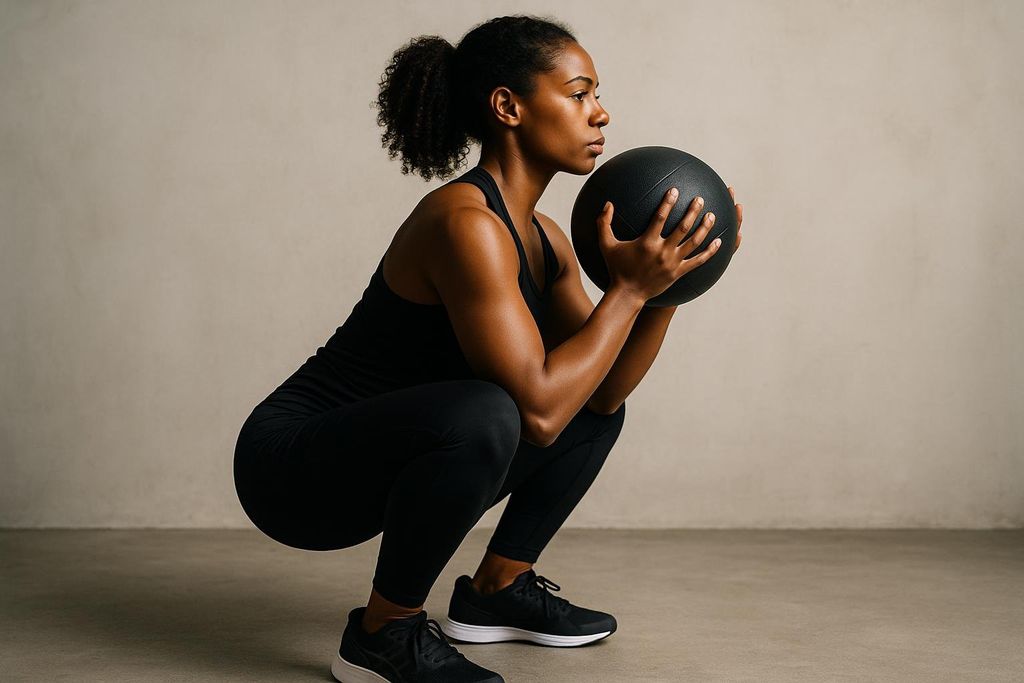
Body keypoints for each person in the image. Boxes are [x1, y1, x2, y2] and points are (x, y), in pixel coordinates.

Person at [233, 13, 741, 683]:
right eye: (580, 92)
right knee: (493, 410)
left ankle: (497, 588)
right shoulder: (464, 223)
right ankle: (384, 633)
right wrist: (625, 293)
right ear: (509, 106)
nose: (601, 112)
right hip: (292, 467)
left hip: (392, 452)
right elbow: (537, 415)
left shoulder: (547, 239)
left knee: (586, 403)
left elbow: (604, 391)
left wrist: (666, 285)